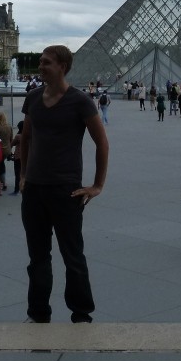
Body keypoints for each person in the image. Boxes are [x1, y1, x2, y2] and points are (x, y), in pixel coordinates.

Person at [20, 45, 109, 324]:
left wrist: (97, 185)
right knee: (37, 258)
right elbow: (25, 138)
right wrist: (23, 175)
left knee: (72, 255)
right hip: (34, 189)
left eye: (46, 62)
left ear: (63, 66)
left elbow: (102, 143)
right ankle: (38, 312)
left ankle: (81, 312)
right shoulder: (33, 97)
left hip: (65, 189)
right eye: (39, 62)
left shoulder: (80, 101)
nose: (40, 66)